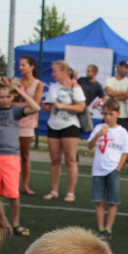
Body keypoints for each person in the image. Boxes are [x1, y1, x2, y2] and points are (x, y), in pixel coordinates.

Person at [0, 76, 41, 236]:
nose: (4, 100)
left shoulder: (16, 111)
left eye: (8, 96)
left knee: (13, 193)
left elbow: (35, 107)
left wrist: (17, 90)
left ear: (12, 97)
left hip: (10, 158)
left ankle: (16, 224)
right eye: (1, 97)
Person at [86, 98, 128, 241]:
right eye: (105, 114)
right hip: (98, 170)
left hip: (113, 169)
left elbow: (126, 151)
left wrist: (118, 168)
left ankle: (108, 229)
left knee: (112, 201)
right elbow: (90, 145)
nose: (107, 117)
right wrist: (98, 135)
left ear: (118, 114)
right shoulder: (98, 128)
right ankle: (100, 228)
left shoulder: (122, 132)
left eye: (111, 114)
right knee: (99, 201)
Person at [42, 61, 86, 202]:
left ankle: (70, 192)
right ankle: (54, 190)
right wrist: (46, 106)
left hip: (70, 125)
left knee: (70, 159)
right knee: (55, 160)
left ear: (63, 72)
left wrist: (62, 105)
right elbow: (50, 108)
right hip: (54, 124)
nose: (53, 74)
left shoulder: (75, 87)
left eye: (55, 71)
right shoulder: (53, 87)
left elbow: (81, 108)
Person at [15, 56, 44, 196]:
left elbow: (36, 104)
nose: (21, 68)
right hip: (13, 121)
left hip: (28, 123)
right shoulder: (16, 82)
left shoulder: (38, 84)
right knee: (11, 155)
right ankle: (13, 183)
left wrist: (20, 105)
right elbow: (10, 102)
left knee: (24, 155)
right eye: (19, 65)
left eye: (23, 65)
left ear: (32, 66)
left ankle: (25, 185)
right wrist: (26, 105)